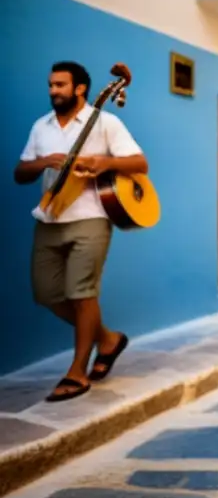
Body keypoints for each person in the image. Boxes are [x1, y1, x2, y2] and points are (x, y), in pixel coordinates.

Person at [14, 61, 148, 402]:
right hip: (48, 218)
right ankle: (108, 340)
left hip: (91, 217)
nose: (53, 91)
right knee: (46, 294)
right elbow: (21, 172)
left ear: (80, 89)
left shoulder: (105, 122)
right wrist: (45, 161)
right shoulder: (41, 127)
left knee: (82, 293)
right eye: (50, 85)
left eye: (60, 85)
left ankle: (77, 371)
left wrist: (104, 163)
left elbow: (139, 163)